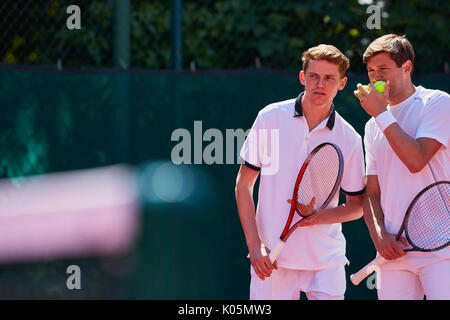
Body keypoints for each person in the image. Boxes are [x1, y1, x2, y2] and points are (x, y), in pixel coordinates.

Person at [235, 44, 365, 300]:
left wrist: (317, 217)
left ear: (342, 83)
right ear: (302, 77)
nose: (320, 84)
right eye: (314, 76)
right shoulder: (270, 117)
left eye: (329, 78)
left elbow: (358, 205)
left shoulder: (349, 137)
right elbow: (244, 185)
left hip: (327, 263)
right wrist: (254, 245)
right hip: (272, 262)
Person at [355, 34, 450, 300]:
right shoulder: (372, 126)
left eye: (383, 69)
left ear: (406, 68)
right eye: (371, 71)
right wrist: (380, 237)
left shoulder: (437, 103)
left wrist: (381, 114)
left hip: (442, 250)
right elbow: (371, 193)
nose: (375, 77)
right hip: (394, 252)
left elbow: (416, 161)